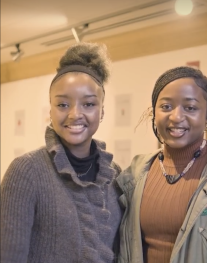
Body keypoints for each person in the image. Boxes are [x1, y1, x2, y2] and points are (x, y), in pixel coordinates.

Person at [116, 66, 207, 263]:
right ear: (154, 113)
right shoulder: (134, 175)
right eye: (166, 107)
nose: (176, 117)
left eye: (190, 107)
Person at [1, 42, 122, 263]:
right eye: (63, 105)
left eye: (88, 104)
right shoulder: (26, 172)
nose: (75, 114)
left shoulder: (114, 175)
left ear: (102, 111)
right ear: (50, 110)